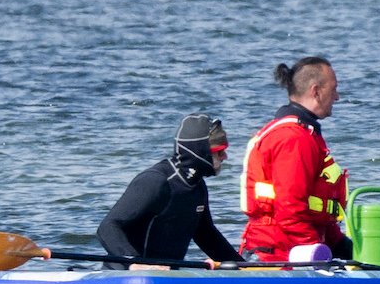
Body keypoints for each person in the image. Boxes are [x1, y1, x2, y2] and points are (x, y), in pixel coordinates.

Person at [241, 57, 351, 262]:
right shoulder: (294, 138)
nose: (337, 97)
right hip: (279, 255)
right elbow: (290, 211)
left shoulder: (303, 133)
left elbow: (311, 207)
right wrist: (316, 250)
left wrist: (341, 245)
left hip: (292, 249)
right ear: (316, 91)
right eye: (334, 89)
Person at [97, 112, 240, 268]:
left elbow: (206, 235)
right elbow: (108, 227)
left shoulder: (197, 187)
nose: (225, 156)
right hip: (126, 277)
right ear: (199, 151)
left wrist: (245, 267)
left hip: (166, 277)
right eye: (219, 151)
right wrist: (135, 263)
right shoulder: (156, 181)